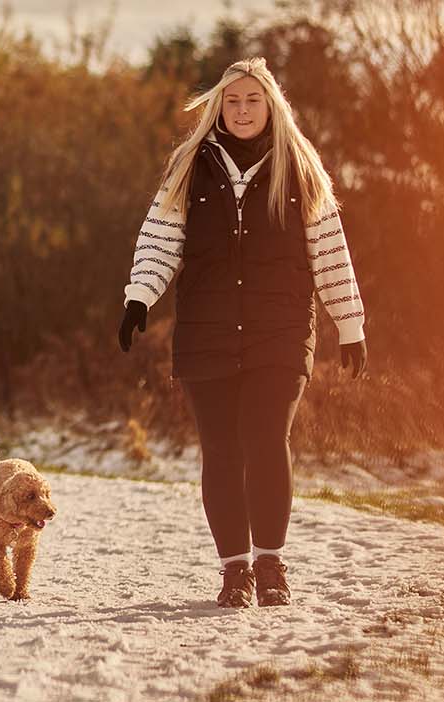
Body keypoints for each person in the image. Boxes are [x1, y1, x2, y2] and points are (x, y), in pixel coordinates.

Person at [117, 58, 368, 608]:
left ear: (271, 105)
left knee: (264, 438)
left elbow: (329, 249)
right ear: (218, 107)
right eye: (233, 101)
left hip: (278, 329)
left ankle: (271, 564)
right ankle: (235, 570)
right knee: (223, 451)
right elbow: (160, 237)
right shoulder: (190, 167)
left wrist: (349, 323)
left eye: (253, 99)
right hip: (206, 330)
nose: (243, 109)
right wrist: (139, 297)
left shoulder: (299, 167)